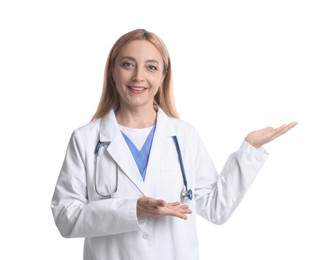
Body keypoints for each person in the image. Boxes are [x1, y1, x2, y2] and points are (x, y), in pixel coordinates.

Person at [50, 28, 297, 260]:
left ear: (162, 75)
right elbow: (65, 217)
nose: (138, 77)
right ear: (113, 71)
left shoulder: (184, 136)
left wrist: (249, 151)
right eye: (127, 65)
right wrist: (134, 209)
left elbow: (215, 209)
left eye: (151, 67)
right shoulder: (85, 139)